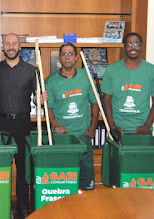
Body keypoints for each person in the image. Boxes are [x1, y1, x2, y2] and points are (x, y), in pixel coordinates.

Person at [0, 33, 47, 218]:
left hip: (22, 122)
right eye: (7, 44)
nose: (11, 47)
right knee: (0, 166)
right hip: (1, 122)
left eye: (14, 44)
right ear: (2, 46)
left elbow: (37, 97)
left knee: (22, 166)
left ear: (20, 47)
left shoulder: (31, 70)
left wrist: (40, 99)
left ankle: (22, 204)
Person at [45, 43, 99, 192]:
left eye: (70, 54)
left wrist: (93, 126)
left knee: (86, 179)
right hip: (63, 138)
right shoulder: (51, 81)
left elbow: (94, 103)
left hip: (83, 135)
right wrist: (55, 125)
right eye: (64, 54)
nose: (67, 57)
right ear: (59, 58)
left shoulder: (86, 77)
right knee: (64, 178)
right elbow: (47, 107)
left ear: (76, 57)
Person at [101, 32, 154, 135]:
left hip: (143, 129)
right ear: (124, 47)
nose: (133, 47)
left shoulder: (152, 71)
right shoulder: (111, 70)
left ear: (141, 47)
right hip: (117, 129)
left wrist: (146, 126)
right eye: (129, 44)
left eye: (136, 43)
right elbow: (106, 100)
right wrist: (112, 125)